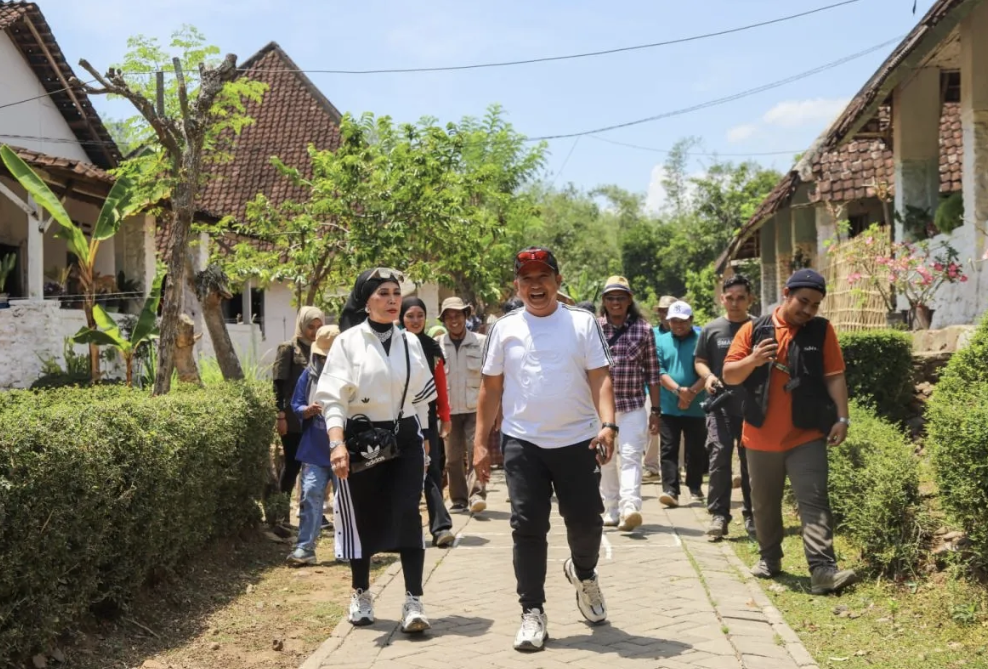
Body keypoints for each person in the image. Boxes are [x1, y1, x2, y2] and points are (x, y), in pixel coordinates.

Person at [474, 246, 616, 653]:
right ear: (517, 286)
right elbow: (491, 388)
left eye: (543, 277)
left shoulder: (582, 323)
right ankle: (532, 612)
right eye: (527, 279)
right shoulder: (505, 328)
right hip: (523, 443)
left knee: (587, 522)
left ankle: (584, 574)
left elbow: (600, 377)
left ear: (557, 280)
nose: (536, 286)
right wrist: (481, 445)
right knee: (527, 528)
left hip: (579, 440)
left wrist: (608, 425)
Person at [315, 268, 438, 632]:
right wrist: (336, 444)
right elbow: (332, 400)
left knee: (408, 516)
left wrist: (427, 444)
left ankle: (414, 601)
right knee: (363, 516)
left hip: (403, 439)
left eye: (396, 293)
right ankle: (361, 593)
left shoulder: (410, 342)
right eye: (383, 293)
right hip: (360, 440)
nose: (392, 300)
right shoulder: (348, 342)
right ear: (366, 301)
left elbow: (422, 403)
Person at [723, 269, 857, 595]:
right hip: (760, 437)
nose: (808, 310)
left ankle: (822, 570)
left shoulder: (822, 331)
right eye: (803, 302)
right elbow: (729, 375)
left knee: (813, 501)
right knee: (765, 504)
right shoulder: (753, 330)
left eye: (815, 305)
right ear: (787, 293)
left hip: (806, 434)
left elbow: (835, 376)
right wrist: (753, 359)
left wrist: (843, 418)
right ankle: (770, 559)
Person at [597, 276, 661, 531]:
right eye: (611, 298)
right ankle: (611, 509)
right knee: (606, 458)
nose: (616, 302)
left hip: (633, 404)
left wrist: (655, 411)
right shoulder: (595, 329)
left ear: (629, 300)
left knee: (633, 456)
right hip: (602, 409)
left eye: (620, 297)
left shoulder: (643, 330)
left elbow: (653, 373)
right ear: (604, 301)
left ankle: (630, 508)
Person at [694, 275, 756, 541]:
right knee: (719, 456)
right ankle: (719, 515)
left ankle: (752, 515)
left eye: (740, 297)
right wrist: (708, 377)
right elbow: (700, 360)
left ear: (750, 299)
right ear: (722, 299)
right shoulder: (712, 329)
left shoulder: (759, 327)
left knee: (750, 463)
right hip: (720, 406)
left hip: (752, 407)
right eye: (729, 298)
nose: (734, 303)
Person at [401, 296, 455, 548]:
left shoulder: (432, 348)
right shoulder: (393, 345)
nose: (415, 321)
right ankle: (403, 531)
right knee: (402, 473)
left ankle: (441, 527)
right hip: (398, 419)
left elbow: (440, 387)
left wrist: (445, 417)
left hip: (428, 419)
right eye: (410, 316)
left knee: (431, 470)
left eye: (419, 316)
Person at [286, 324, 341, 566]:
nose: (324, 361)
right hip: (314, 450)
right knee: (310, 494)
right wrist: (305, 411)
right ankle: (305, 548)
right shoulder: (307, 376)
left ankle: (348, 549)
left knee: (346, 502)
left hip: (344, 451)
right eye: (321, 356)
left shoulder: (354, 378)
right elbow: (295, 403)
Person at [655, 300, 708, 508]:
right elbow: (659, 371)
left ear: (691, 320)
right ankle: (670, 490)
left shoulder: (701, 339)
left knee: (695, 450)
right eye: (674, 321)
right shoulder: (661, 340)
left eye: (682, 321)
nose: (678, 325)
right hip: (669, 405)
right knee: (668, 448)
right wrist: (679, 391)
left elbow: (708, 369)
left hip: (696, 405)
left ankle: (695, 488)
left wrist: (691, 393)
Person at [438, 297, 487, 514]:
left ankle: (477, 494)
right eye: (448, 316)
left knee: (475, 450)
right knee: (453, 457)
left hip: (476, 408)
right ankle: (458, 499)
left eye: (457, 315)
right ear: (444, 320)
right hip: (448, 410)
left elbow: (491, 377)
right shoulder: (438, 344)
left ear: (465, 316)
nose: (453, 320)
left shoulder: (481, 341)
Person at [273, 307, 325, 503]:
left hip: (315, 419)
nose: (314, 332)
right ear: (302, 326)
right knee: (292, 465)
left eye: (319, 327)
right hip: (293, 419)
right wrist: (280, 417)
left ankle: (312, 513)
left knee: (314, 468)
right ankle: (280, 514)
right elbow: (278, 385)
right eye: (310, 327)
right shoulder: (288, 348)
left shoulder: (320, 350)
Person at [644, 295, 678, 478]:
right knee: (652, 427)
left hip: (677, 388)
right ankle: (651, 466)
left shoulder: (684, 332)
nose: (665, 314)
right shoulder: (651, 332)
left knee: (677, 429)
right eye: (662, 311)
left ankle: (677, 467)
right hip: (653, 388)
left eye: (669, 310)